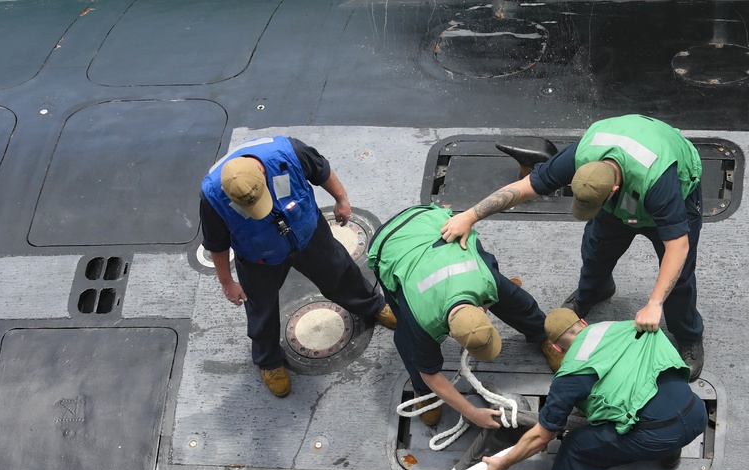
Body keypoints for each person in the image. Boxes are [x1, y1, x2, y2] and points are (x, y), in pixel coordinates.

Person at [441, 114, 706, 380]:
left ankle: (688, 335)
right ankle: (595, 291)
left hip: (671, 193)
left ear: (613, 190)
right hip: (618, 202)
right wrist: (470, 215)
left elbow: (678, 246)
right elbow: (526, 187)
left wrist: (654, 304)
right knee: (596, 249)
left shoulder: (659, 182)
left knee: (678, 278)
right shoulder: (583, 154)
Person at [200, 136, 396, 398]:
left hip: (307, 232)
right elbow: (217, 242)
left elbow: (321, 170)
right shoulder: (212, 197)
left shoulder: (289, 153)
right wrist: (226, 282)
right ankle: (269, 361)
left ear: (262, 172)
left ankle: (372, 305)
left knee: (339, 270)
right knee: (261, 307)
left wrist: (341, 199)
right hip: (259, 256)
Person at [483, 308, 707, 470]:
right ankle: (670, 456)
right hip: (696, 413)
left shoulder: (570, 375)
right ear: (583, 322)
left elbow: (541, 437)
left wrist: (505, 462)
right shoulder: (629, 325)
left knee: (574, 447)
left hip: (655, 436)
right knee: (657, 401)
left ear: (557, 348)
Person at [367, 204, 564, 428]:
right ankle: (423, 393)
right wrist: (472, 413)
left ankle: (542, 335)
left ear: (481, 309)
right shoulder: (422, 320)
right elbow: (431, 374)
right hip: (390, 244)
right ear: (449, 333)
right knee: (408, 338)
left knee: (512, 299)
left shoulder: (485, 277)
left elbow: (516, 300)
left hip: (430, 222)